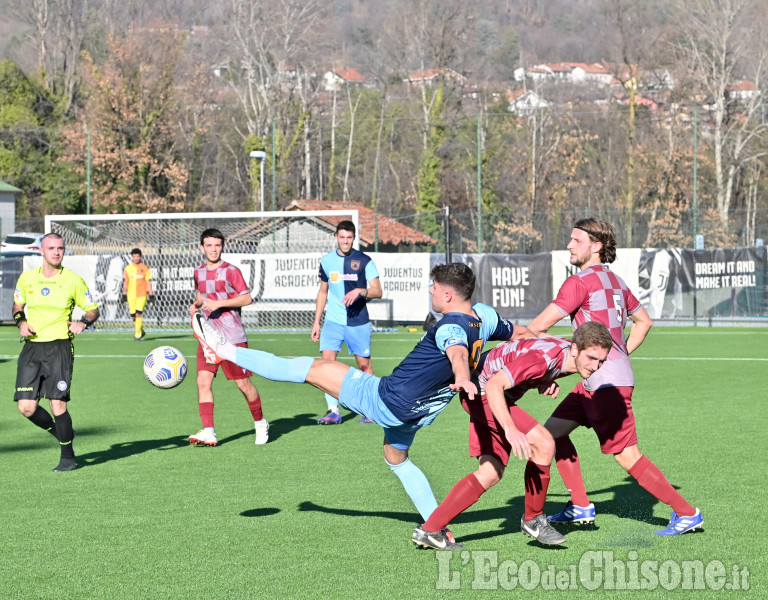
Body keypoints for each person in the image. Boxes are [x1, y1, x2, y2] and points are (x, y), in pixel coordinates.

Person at [193, 263, 523, 541]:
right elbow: (520, 332)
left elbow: (457, 351)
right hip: (416, 414)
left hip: (386, 400)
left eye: (433, 288)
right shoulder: (484, 316)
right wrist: (555, 352)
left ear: (448, 295)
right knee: (397, 460)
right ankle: (437, 529)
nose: (430, 292)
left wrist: (462, 375)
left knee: (312, 368)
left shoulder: (449, 326)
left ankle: (224, 350)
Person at [527, 218, 702, 536]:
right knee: (550, 435)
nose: (569, 245)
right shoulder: (616, 281)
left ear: (595, 246)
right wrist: (616, 356)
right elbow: (644, 322)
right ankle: (580, 505)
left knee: (627, 456)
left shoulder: (578, 282)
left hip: (606, 385)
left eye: (575, 240)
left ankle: (687, 513)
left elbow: (538, 327)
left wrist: (526, 364)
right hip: (600, 381)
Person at [412, 322, 614, 550]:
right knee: (544, 443)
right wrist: (510, 429)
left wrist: (543, 379)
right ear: (575, 349)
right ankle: (533, 519)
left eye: (601, 361)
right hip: (483, 393)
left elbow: (532, 339)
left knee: (490, 473)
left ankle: (429, 530)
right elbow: (494, 386)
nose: (596, 366)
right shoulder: (543, 359)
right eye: (591, 358)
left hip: (485, 391)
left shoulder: (567, 353)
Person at [12, 232, 100, 472]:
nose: (56, 252)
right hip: (31, 348)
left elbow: (93, 310)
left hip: (59, 348)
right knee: (26, 407)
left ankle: (67, 457)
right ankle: (61, 433)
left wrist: (84, 322)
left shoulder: (73, 280)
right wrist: (21, 322)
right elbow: (18, 306)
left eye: (60, 248)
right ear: (42, 251)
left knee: (57, 404)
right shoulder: (27, 278)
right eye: (51, 248)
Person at [188, 228, 268, 447]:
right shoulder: (198, 272)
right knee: (202, 381)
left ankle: (260, 423)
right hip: (208, 336)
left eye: (217, 245)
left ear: (222, 247)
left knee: (243, 384)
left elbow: (247, 298)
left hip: (232, 337)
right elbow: (201, 295)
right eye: (209, 245)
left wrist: (219, 304)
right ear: (202, 247)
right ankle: (209, 431)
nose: (214, 249)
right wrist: (195, 306)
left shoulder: (231, 271)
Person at [311, 220, 382, 425]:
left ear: (354, 238)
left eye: (349, 237)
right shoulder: (326, 261)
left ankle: (370, 408)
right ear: (336, 237)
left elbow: (378, 290)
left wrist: (361, 291)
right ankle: (333, 411)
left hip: (357, 322)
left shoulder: (364, 260)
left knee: (363, 366)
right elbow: (322, 292)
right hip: (332, 322)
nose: (345, 241)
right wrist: (317, 322)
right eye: (342, 237)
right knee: (327, 364)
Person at [122, 247, 155, 340]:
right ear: (132, 257)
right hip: (131, 295)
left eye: (138, 256)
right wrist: (124, 294)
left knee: (138, 314)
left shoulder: (145, 268)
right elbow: (126, 282)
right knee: (133, 316)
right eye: (134, 256)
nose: (136, 258)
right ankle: (141, 331)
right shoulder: (128, 268)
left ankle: (137, 335)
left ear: (140, 257)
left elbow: (148, 282)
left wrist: (151, 295)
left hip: (142, 295)